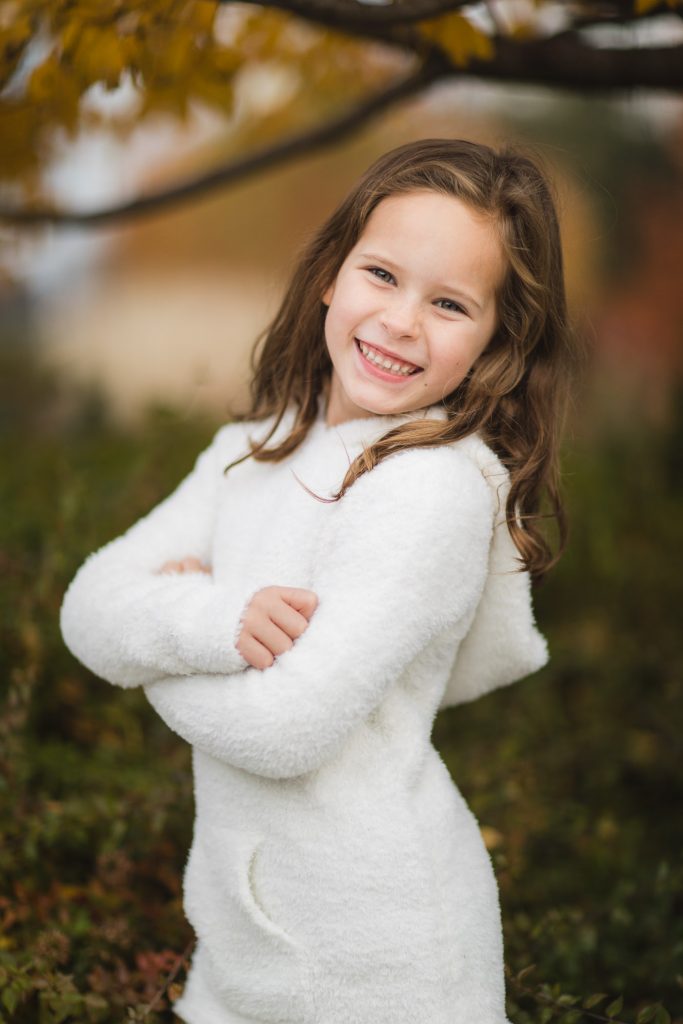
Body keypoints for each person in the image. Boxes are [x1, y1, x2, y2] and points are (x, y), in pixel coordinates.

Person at [60, 137, 574, 1024]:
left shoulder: (430, 486)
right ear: (332, 275)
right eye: (382, 275)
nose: (402, 321)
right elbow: (86, 607)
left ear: (498, 340)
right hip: (238, 954)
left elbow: (282, 726)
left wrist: (146, 657)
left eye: (449, 302)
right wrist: (217, 625)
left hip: (384, 967)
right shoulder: (252, 451)